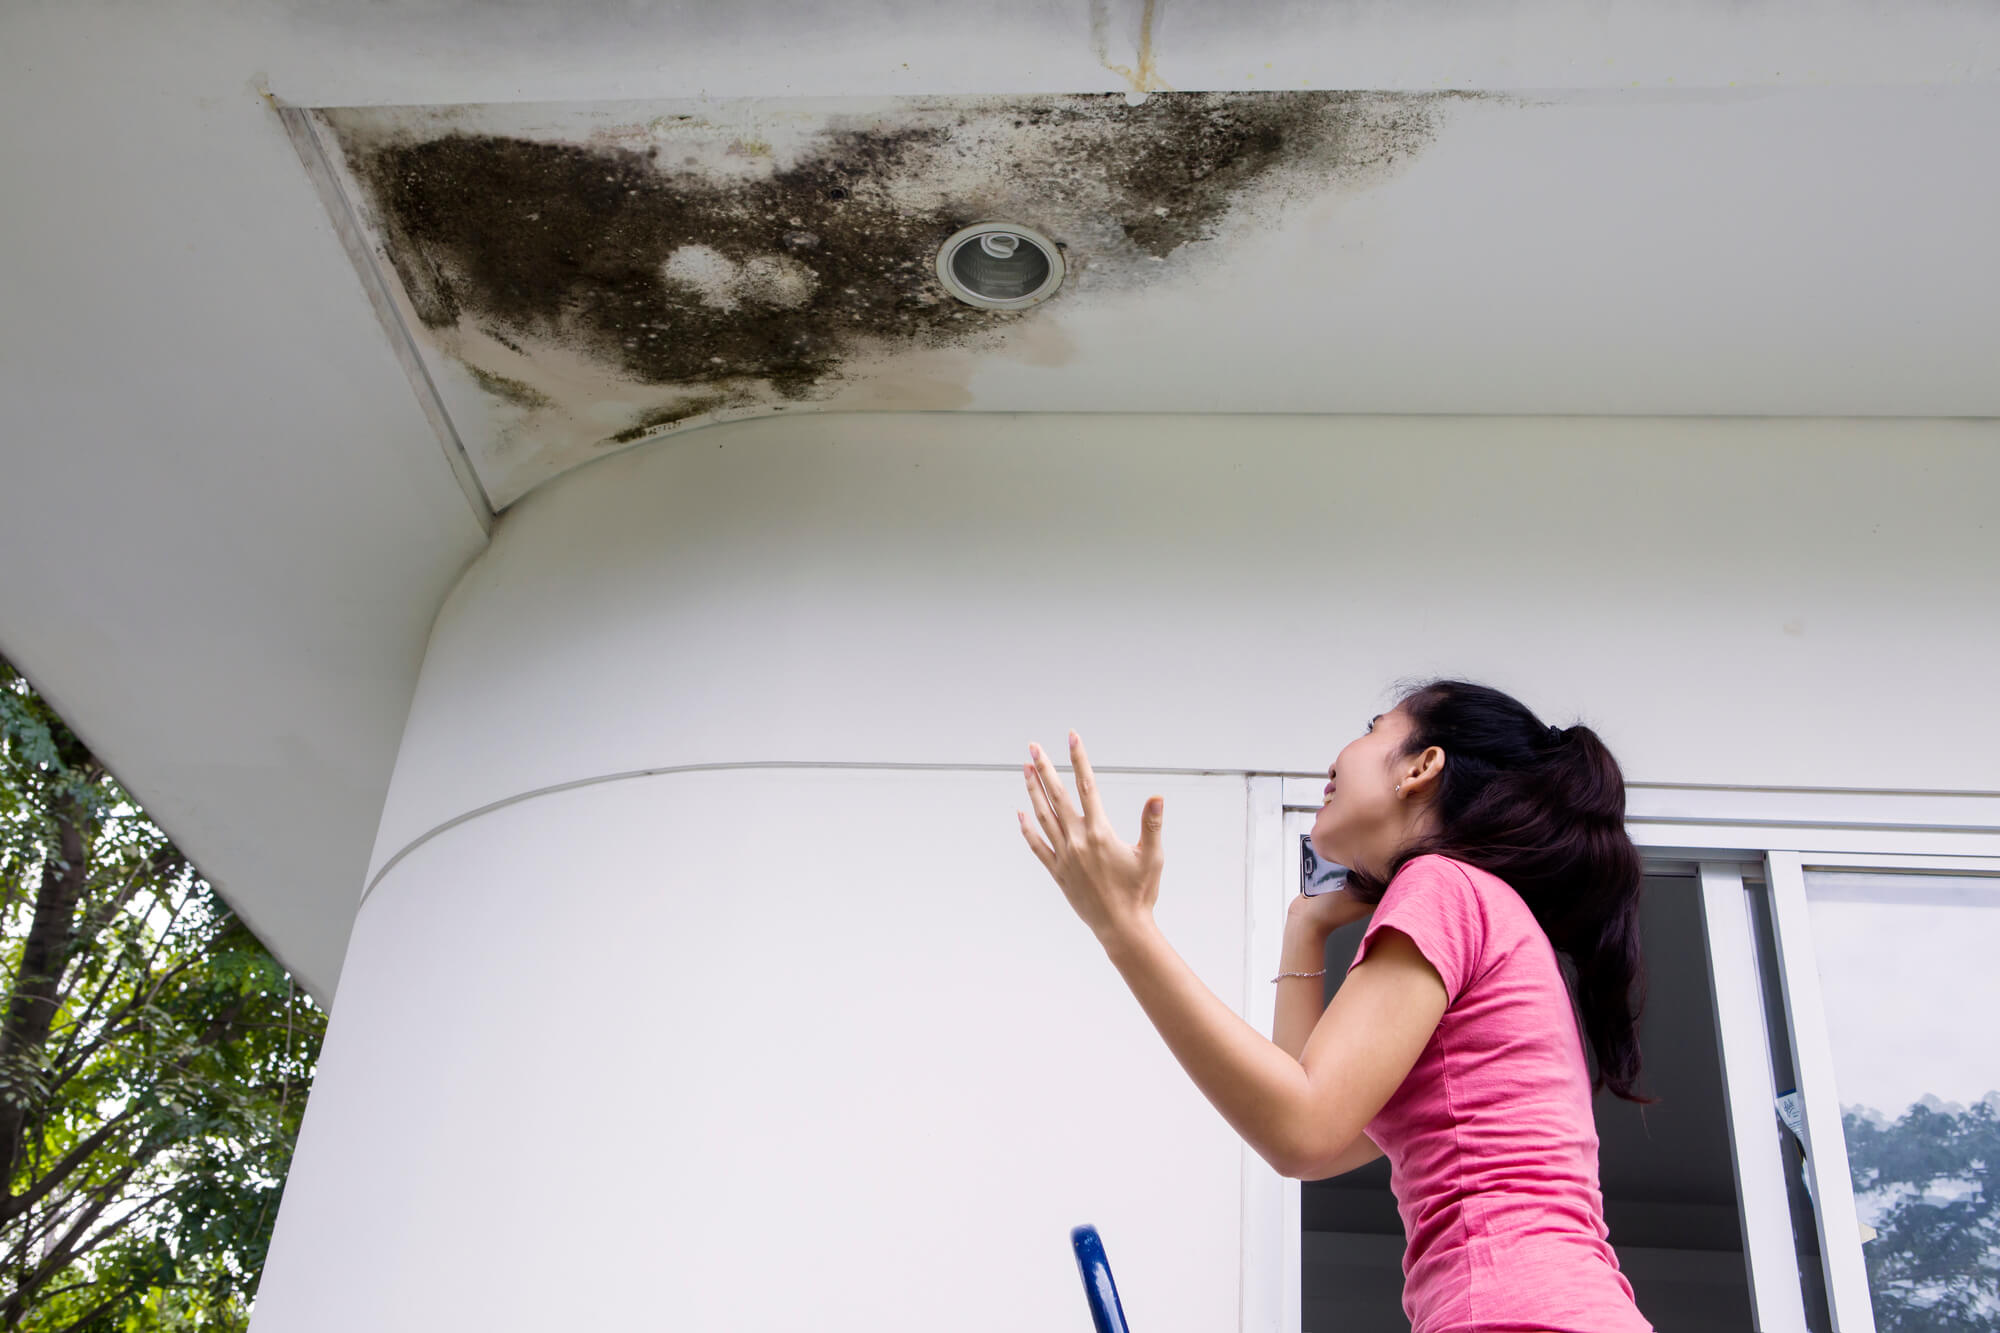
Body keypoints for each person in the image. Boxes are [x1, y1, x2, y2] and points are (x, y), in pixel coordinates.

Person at [1016, 678, 1653, 1333]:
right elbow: (1305, 1133)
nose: (1336, 758)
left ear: (1421, 765)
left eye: (1373, 727)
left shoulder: (1443, 885)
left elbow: (1300, 1125)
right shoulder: (1490, 910)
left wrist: (1127, 928)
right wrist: (1306, 927)